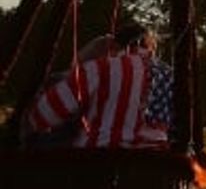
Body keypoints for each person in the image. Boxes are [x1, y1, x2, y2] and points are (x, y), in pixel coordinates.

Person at [24, 19, 173, 148]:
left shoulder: (99, 68)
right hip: (159, 163)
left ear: (113, 46)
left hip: (98, 160)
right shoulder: (171, 75)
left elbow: (44, 114)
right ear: (151, 47)